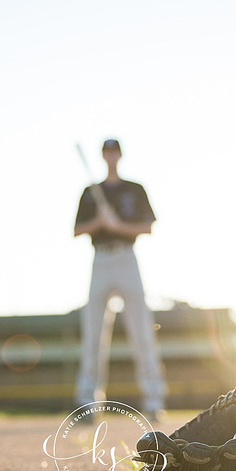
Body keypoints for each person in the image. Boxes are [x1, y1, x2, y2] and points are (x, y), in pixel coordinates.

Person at [73, 139, 167, 417]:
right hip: (100, 259)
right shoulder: (91, 192)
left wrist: (119, 226)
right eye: (107, 152)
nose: (110, 156)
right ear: (103, 156)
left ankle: (153, 400)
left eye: (114, 151)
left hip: (127, 258)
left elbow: (148, 226)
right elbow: (77, 229)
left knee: (142, 331)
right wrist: (99, 223)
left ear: (120, 155)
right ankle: (87, 402)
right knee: (93, 333)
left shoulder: (134, 189)